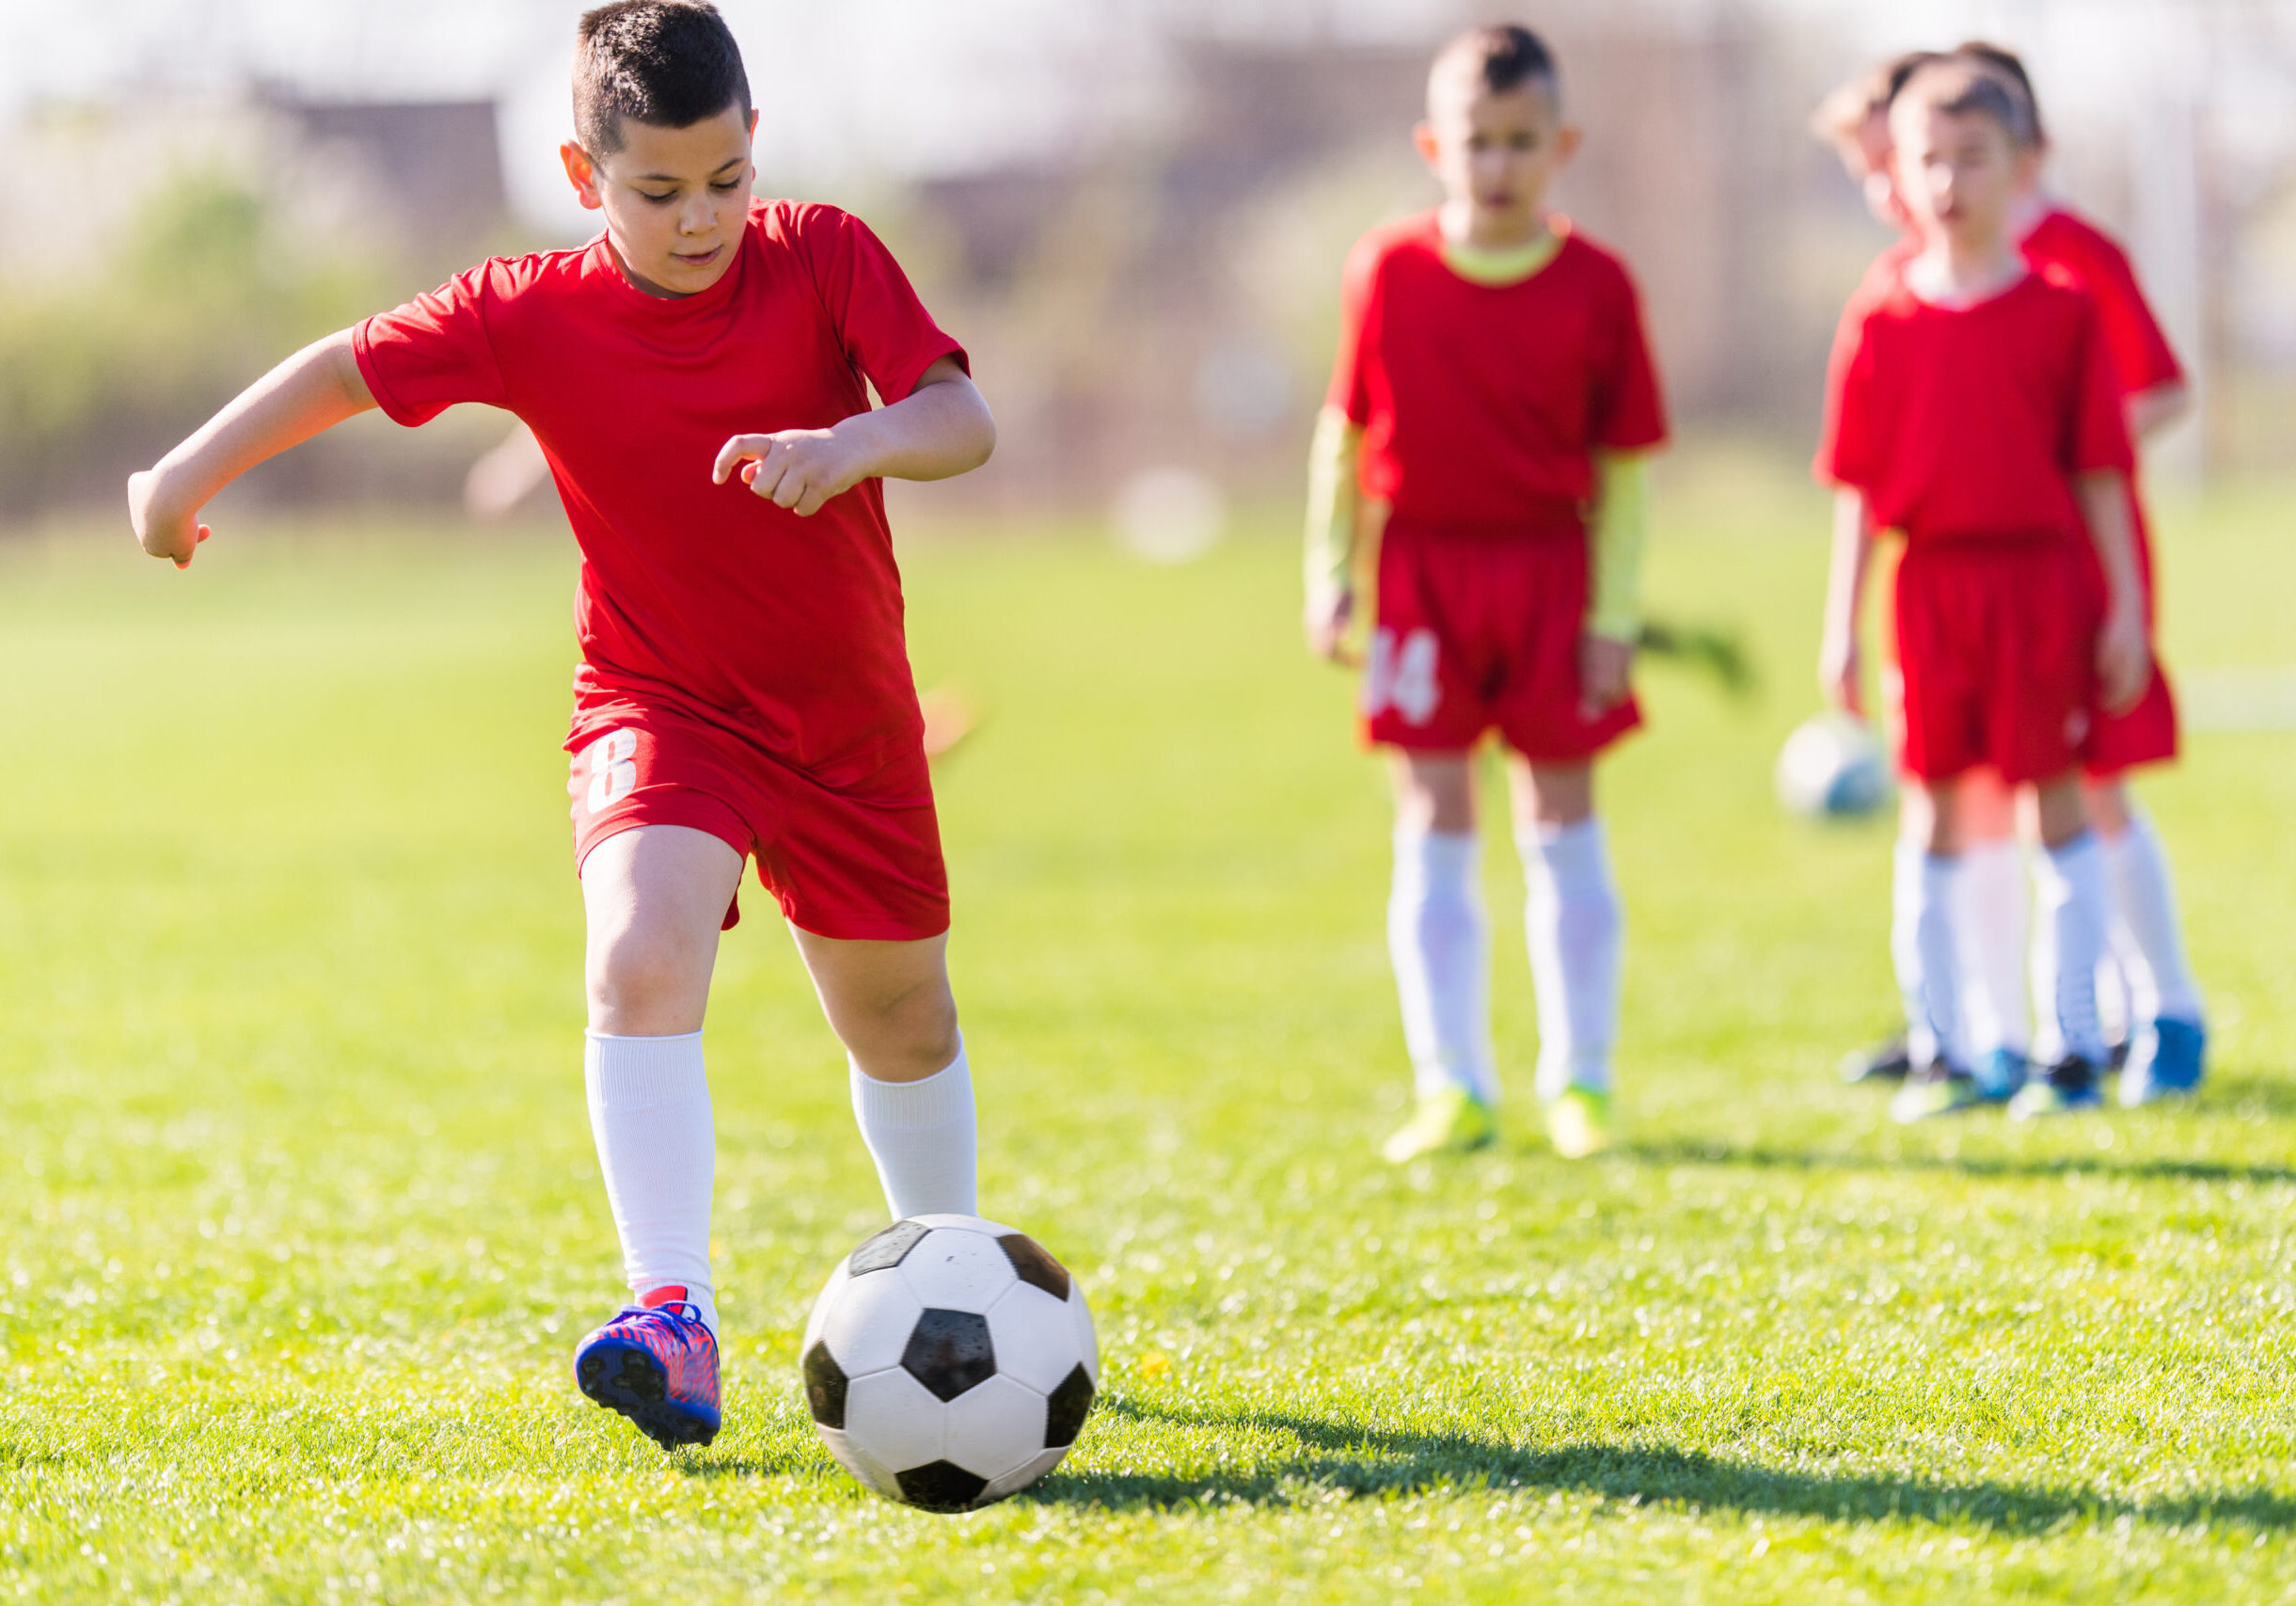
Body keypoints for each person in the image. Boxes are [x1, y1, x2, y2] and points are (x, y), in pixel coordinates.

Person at [124, 0, 997, 1451]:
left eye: (725, 178)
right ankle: (671, 1309)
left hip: (845, 722)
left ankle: (956, 1277)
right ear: (583, 176)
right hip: (659, 700)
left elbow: (958, 415)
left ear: (756, 146)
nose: (701, 216)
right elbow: (346, 363)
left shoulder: (825, 254)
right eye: (658, 191)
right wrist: (181, 471)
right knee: (638, 944)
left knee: (900, 1017)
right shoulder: (529, 308)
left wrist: (850, 445)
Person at [1813, 46, 2208, 1108]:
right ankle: (1973, 1036)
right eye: (1911, 161)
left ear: (2019, 155)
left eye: (1967, 156)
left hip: (2058, 573)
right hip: (1939, 590)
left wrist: (2024, 450)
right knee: (1957, 813)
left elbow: (2146, 403)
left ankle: (2148, 1014)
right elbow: (1858, 475)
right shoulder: (1889, 301)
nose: (1933, 185)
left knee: (2084, 796)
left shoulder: (2068, 276)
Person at [1304, 24, 1667, 1163]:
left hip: (1548, 573)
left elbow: (1626, 467)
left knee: (1561, 819)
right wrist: (1330, 574)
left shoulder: (1597, 285)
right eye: (1476, 141)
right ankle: (1451, 1084)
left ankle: (1582, 1084)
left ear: (1560, 146)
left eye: (1519, 142)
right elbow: (1344, 433)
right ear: (1432, 145)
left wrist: (1612, 615)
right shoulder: (1388, 271)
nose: (1497, 164)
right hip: (1421, 573)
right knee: (1433, 818)